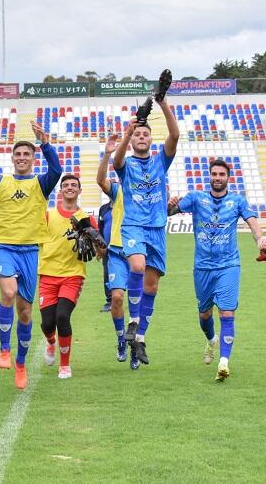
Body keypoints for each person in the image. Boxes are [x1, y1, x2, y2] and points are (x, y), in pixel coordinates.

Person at [0, 121, 62, 390]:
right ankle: (4, 350)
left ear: (32, 159)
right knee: (8, 293)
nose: (22, 158)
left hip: (30, 250)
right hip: (3, 247)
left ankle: (21, 364)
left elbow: (57, 170)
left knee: (26, 313)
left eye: (26, 154)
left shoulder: (41, 183)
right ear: (12, 158)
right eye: (18, 154)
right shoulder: (1, 182)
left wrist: (45, 143)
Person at [168, 159, 266, 381]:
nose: (218, 177)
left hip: (229, 265)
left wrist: (260, 238)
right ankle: (212, 340)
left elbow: (252, 221)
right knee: (204, 314)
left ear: (228, 178)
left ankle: (224, 362)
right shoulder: (196, 198)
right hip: (202, 267)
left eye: (222, 174)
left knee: (227, 312)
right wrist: (170, 202)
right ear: (209, 176)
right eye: (214, 174)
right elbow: (168, 212)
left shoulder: (237, 201)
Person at [112, 91, 179, 366]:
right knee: (137, 267)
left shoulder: (160, 161)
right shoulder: (126, 165)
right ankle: (133, 321)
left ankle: (139, 340)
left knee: (151, 287)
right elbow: (115, 161)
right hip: (133, 226)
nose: (141, 137)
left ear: (151, 139)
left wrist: (163, 102)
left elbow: (174, 136)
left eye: (145, 134)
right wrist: (127, 133)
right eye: (137, 134)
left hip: (157, 229)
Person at [38, 175, 99, 379]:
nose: (70, 188)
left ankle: (65, 365)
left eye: (74, 185)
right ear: (60, 191)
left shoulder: (86, 219)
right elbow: (34, 240)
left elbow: (100, 249)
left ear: (80, 191)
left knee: (62, 317)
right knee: (47, 324)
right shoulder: (48, 215)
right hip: (47, 274)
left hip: (73, 275)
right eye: (66, 185)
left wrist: (93, 240)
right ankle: (51, 342)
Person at [97, 135, 136, 368]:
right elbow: (100, 179)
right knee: (118, 298)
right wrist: (108, 154)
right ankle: (121, 338)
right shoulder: (119, 191)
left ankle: (136, 345)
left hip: (141, 251)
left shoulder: (152, 192)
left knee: (138, 304)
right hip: (118, 252)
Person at [97, 199, 113, 312]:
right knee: (107, 274)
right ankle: (110, 301)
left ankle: (136, 300)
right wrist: (99, 247)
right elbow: (100, 229)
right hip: (107, 249)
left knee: (133, 274)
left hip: (127, 247)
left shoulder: (127, 205)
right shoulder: (104, 209)